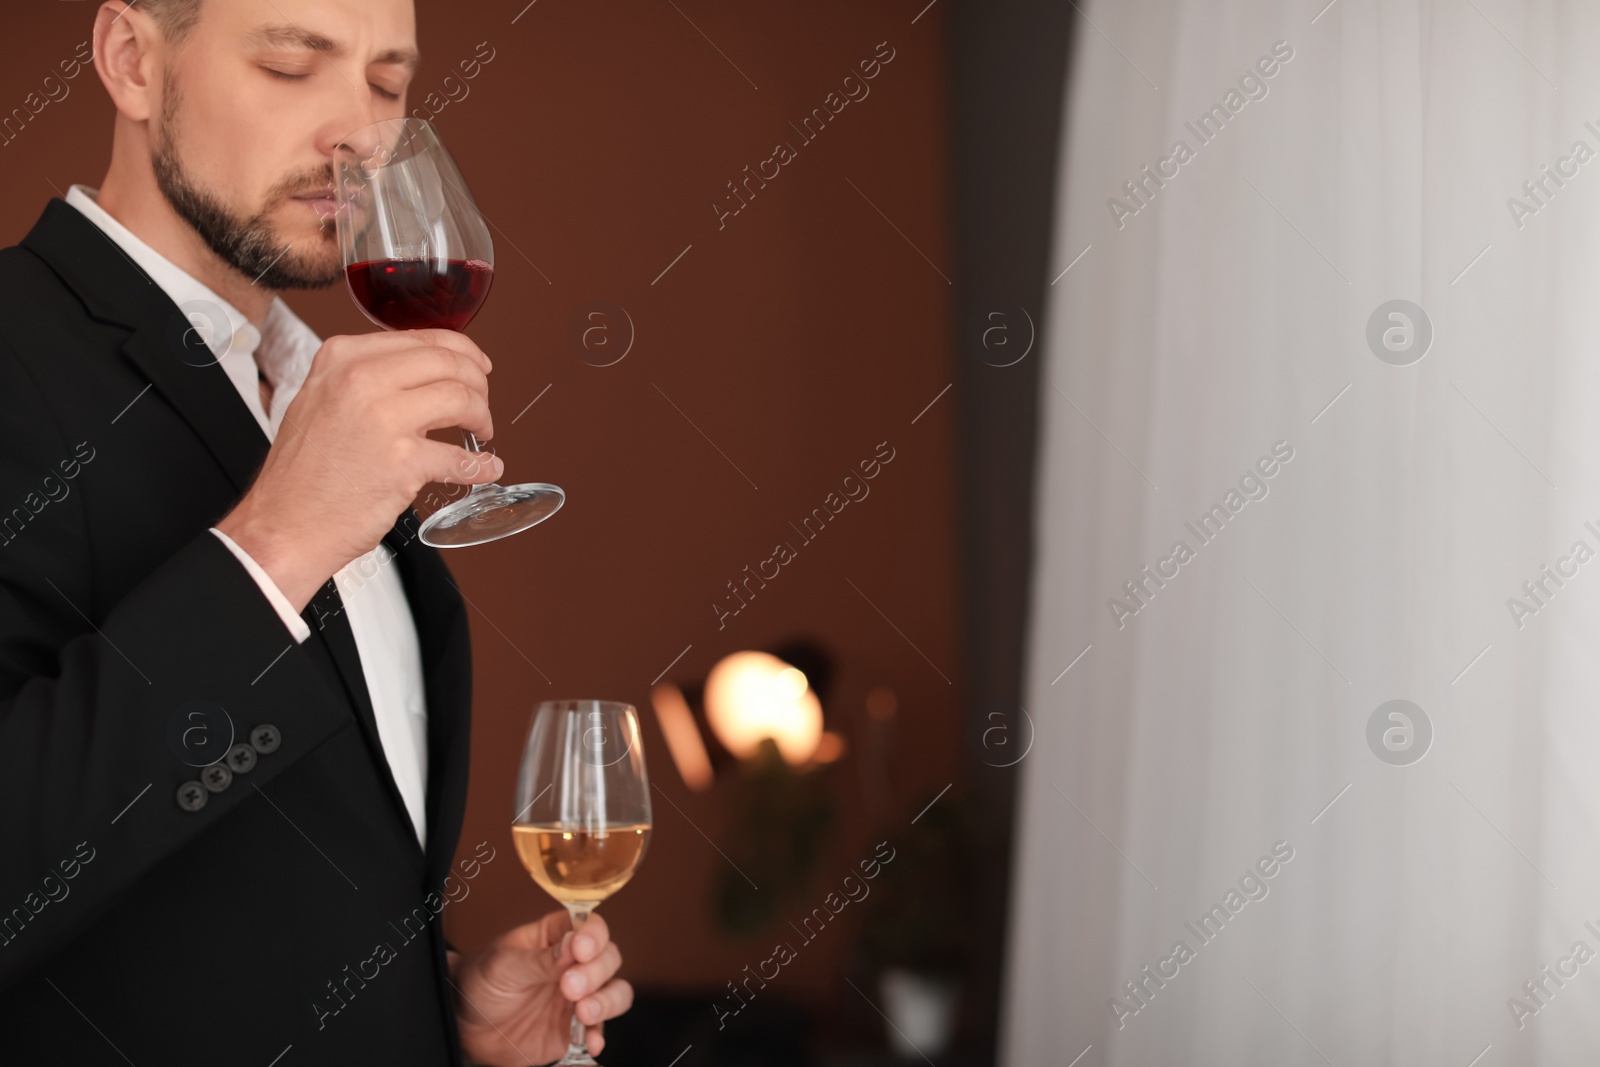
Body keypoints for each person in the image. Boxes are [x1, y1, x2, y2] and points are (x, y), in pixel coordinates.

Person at [0, 1, 632, 1063]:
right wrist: (274, 545)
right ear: (131, 61)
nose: (362, 132)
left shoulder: (314, 392)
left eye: (389, 83)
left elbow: (250, 896)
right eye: (295, 64)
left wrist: (437, 1009)